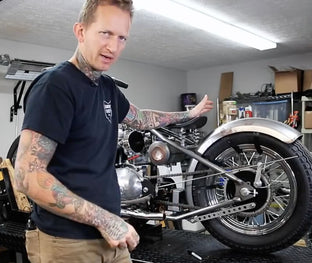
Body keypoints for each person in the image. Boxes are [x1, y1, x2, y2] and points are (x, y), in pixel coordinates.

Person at [13, 0, 214, 262]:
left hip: (111, 238)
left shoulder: (106, 86)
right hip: (66, 244)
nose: (113, 47)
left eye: (122, 38)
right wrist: (106, 220)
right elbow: (27, 175)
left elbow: (141, 118)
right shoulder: (56, 86)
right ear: (81, 31)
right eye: (105, 33)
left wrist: (189, 113)